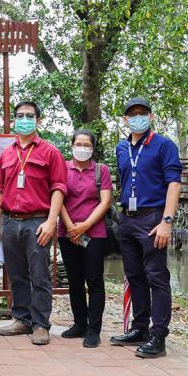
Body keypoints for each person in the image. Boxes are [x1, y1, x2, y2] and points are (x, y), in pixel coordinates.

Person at [111, 97, 183, 358]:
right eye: (132, 114)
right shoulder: (121, 148)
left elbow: (174, 183)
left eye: (142, 113)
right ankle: (140, 328)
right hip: (128, 218)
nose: (137, 117)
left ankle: (158, 335)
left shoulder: (164, 145)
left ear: (151, 117)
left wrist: (166, 221)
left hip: (153, 218)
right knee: (135, 275)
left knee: (156, 276)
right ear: (125, 120)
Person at [0, 101, 66, 346]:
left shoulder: (50, 152)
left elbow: (59, 188)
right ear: (14, 120)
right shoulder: (7, 153)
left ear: (38, 120)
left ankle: (40, 324)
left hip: (37, 221)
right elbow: (0, 188)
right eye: (20, 116)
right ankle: (22, 319)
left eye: (29, 115)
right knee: (16, 275)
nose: (24, 120)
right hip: (10, 221)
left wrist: (51, 221)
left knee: (39, 275)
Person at [57, 130, 115, 349]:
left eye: (87, 145)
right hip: (67, 233)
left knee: (94, 280)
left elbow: (105, 202)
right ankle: (79, 323)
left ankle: (94, 329)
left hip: (95, 233)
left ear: (93, 148)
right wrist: (71, 227)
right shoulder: (63, 167)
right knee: (75, 280)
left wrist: (85, 226)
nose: (82, 148)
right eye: (78, 144)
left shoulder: (101, 170)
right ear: (72, 145)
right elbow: (58, 198)